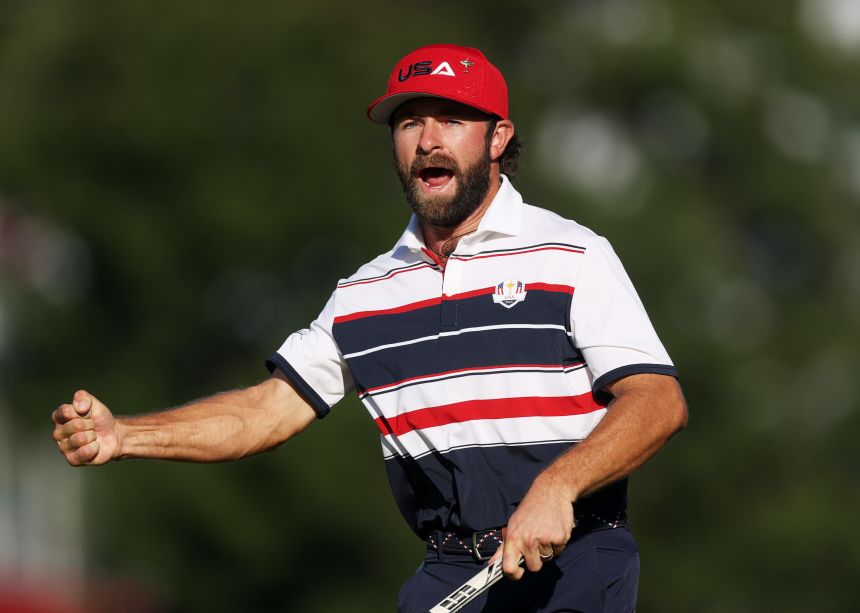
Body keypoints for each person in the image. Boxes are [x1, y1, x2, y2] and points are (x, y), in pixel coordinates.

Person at [52, 43, 687, 612]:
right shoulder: (362, 294)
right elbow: (267, 411)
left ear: (498, 139)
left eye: (452, 120)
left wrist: (559, 486)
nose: (429, 140)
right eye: (411, 122)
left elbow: (658, 401)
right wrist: (126, 434)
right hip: (450, 570)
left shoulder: (571, 253)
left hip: (571, 561)